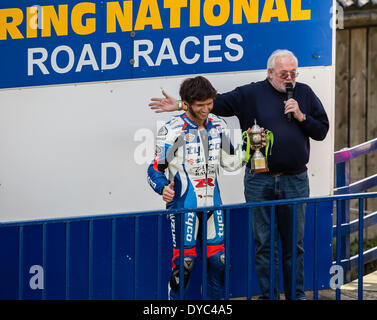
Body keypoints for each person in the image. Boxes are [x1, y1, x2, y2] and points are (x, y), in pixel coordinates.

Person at [149, 49, 329, 300]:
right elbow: (213, 103)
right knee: (258, 246)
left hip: (294, 180)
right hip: (255, 182)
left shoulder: (304, 93)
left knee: (290, 246)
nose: (289, 78)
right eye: (283, 73)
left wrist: (300, 116)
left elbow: (321, 131)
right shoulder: (250, 93)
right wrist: (180, 105)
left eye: (293, 73)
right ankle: (268, 296)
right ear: (270, 73)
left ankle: (295, 296)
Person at [147, 76, 252, 300]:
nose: (206, 109)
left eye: (209, 103)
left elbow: (231, 162)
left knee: (219, 261)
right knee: (185, 265)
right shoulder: (173, 130)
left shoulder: (218, 125)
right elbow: (155, 169)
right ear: (187, 103)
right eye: (200, 105)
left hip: (213, 204)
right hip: (184, 205)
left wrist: (251, 147)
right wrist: (162, 187)